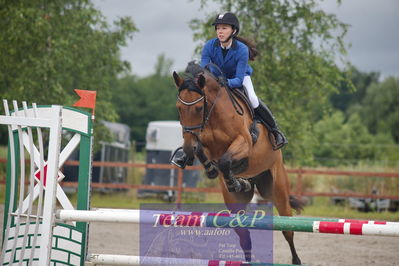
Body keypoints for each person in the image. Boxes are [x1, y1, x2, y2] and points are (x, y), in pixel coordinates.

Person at [171, 12, 287, 169]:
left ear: (233, 31)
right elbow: (204, 71)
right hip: (214, 81)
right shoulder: (209, 46)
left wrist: (221, 83)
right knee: (197, 105)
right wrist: (202, 80)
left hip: (238, 79)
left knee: (252, 98)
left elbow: (238, 79)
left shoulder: (241, 50)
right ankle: (187, 149)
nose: (220, 31)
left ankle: (275, 131)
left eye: (224, 28)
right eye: (218, 28)